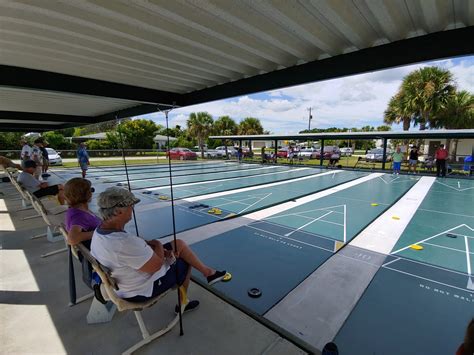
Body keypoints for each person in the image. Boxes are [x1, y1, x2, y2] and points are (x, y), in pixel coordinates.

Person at [91, 187, 226, 310]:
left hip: (125, 282)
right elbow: (156, 265)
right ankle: (183, 302)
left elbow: (133, 250)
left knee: (178, 244)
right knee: (184, 260)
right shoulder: (123, 243)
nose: (132, 208)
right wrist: (158, 245)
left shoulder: (100, 232)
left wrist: (153, 246)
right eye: (130, 206)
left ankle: (208, 272)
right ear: (119, 211)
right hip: (140, 291)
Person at [64, 178, 100, 247]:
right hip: (97, 253)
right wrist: (99, 232)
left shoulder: (74, 210)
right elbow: (72, 239)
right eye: (90, 190)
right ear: (88, 194)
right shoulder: (79, 216)